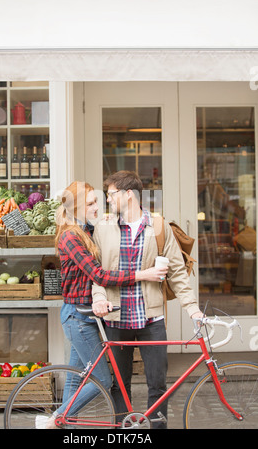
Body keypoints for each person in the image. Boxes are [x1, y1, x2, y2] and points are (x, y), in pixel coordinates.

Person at [37, 180, 167, 429]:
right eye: (90, 203)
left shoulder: (85, 230)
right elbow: (100, 276)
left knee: (76, 381)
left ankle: (65, 426)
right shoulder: (70, 237)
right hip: (77, 317)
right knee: (102, 380)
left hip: (86, 316)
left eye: (97, 200)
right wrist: (143, 275)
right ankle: (56, 420)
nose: (97, 206)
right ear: (75, 209)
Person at [92, 171, 203, 429]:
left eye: (111, 195)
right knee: (120, 384)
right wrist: (99, 299)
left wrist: (193, 309)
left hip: (151, 319)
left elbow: (176, 272)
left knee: (158, 384)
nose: (107, 200)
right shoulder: (103, 228)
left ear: (128, 194)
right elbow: (96, 273)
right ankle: (125, 430)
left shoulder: (159, 225)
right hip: (117, 317)